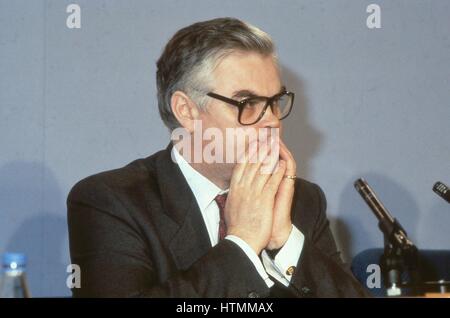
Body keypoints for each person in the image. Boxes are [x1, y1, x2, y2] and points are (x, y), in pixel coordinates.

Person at [67, 17, 368, 297]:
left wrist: (284, 240)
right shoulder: (111, 202)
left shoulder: (302, 200)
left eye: (275, 102)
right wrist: (242, 243)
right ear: (186, 110)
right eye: (247, 102)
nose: (272, 121)